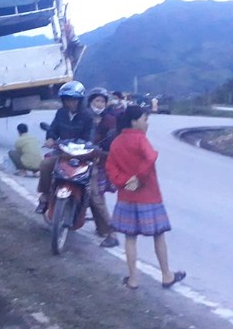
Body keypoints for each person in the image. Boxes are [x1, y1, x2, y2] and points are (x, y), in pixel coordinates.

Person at [106, 105, 186, 290]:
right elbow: (150, 159)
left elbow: (111, 168)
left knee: (130, 238)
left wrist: (126, 182)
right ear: (134, 121)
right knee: (158, 235)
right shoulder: (140, 139)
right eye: (145, 119)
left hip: (126, 197)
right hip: (149, 196)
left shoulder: (117, 142)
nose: (147, 123)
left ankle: (133, 279)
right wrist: (138, 178)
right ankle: (166, 275)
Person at [35, 81, 93, 214]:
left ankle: (98, 221)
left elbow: (90, 136)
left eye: (74, 100)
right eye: (67, 100)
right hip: (62, 151)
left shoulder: (88, 116)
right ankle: (44, 196)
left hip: (81, 154)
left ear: (80, 100)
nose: (70, 103)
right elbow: (53, 129)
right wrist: (50, 138)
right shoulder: (61, 113)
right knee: (45, 165)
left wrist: (86, 145)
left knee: (92, 186)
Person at [86, 87, 119, 248]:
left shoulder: (110, 120)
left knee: (96, 196)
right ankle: (102, 228)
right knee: (91, 195)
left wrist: (100, 150)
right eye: (96, 100)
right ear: (90, 102)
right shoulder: (85, 116)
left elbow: (111, 142)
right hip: (82, 158)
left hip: (99, 162)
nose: (98, 104)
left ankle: (112, 233)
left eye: (102, 101)